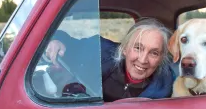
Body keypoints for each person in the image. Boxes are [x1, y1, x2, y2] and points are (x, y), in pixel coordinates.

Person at [45, 18, 174, 102]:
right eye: (138, 48)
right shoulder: (100, 51)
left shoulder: (166, 87)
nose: (143, 59)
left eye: (154, 53)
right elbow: (66, 42)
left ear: (161, 58)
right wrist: (57, 40)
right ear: (124, 48)